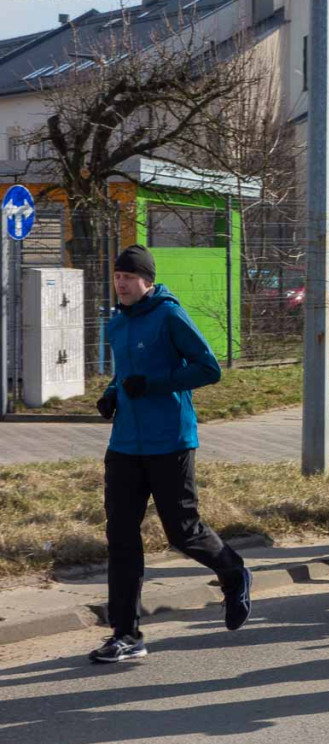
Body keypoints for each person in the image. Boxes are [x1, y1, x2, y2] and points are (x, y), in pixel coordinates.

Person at [89, 245, 250, 663]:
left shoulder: (170, 316)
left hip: (171, 442)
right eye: (117, 276)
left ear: (146, 280)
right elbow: (126, 374)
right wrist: (111, 394)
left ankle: (233, 573)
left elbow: (208, 368)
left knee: (182, 531)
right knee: (121, 538)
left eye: (128, 276)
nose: (121, 283)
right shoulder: (116, 324)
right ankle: (126, 634)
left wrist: (157, 383)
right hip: (124, 445)